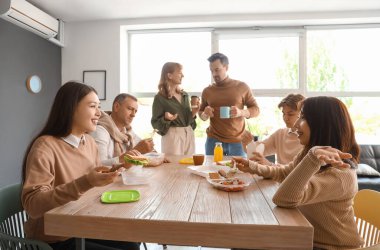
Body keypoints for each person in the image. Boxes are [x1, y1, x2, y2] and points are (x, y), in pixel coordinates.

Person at [21, 81, 140, 250]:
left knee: (132, 244)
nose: (99, 113)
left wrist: (119, 166)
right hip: (53, 238)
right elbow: (33, 205)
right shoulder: (44, 146)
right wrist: (85, 182)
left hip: (81, 226)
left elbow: (94, 177)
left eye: (99, 107)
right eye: (93, 106)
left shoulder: (89, 142)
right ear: (71, 108)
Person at [234, 96, 363, 250]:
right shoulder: (308, 154)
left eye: (303, 117)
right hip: (305, 238)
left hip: (328, 246)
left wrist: (312, 157)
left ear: (321, 124)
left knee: (243, 243)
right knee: (242, 241)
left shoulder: (341, 175)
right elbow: (285, 173)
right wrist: (254, 167)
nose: (295, 124)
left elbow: (283, 199)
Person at [199, 52, 260, 156]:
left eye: (217, 70)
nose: (214, 74)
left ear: (226, 67)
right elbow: (201, 114)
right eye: (211, 71)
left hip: (238, 142)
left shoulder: (242, 87)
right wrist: (205, 114)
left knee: (239, 171)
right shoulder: (207, 91)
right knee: (211, 171)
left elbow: (256, 110)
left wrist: (241, 112)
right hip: (213, 141)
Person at [91, 93, 154, 167]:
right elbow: (99, 165)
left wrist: (155, 153)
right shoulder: (100, 130)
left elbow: (143, 145)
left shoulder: (127, 130)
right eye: (130, 109)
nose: (133, 114)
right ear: (116, 107)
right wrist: (135, 151)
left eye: (135, 111)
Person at [243, 93, 305, 165]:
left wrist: (269, 165)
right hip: (279, 176)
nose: (285, 118)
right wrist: (247, 142)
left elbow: (298, 171)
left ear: (302, 114)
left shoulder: (309, 138)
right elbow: (254, 153)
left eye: (290, 114)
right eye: (284, 114)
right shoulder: (280, 134)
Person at [151, 62, 198, 155]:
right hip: (172, 136)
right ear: (169, 75)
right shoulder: (160, 97)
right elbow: (155, 124)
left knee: (189, 165)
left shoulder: (184, 95)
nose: (183, 75)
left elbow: (188, 121)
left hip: (188, 132)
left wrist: (193, 113)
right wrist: (166, 119)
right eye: (180, 73)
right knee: (172, 167)